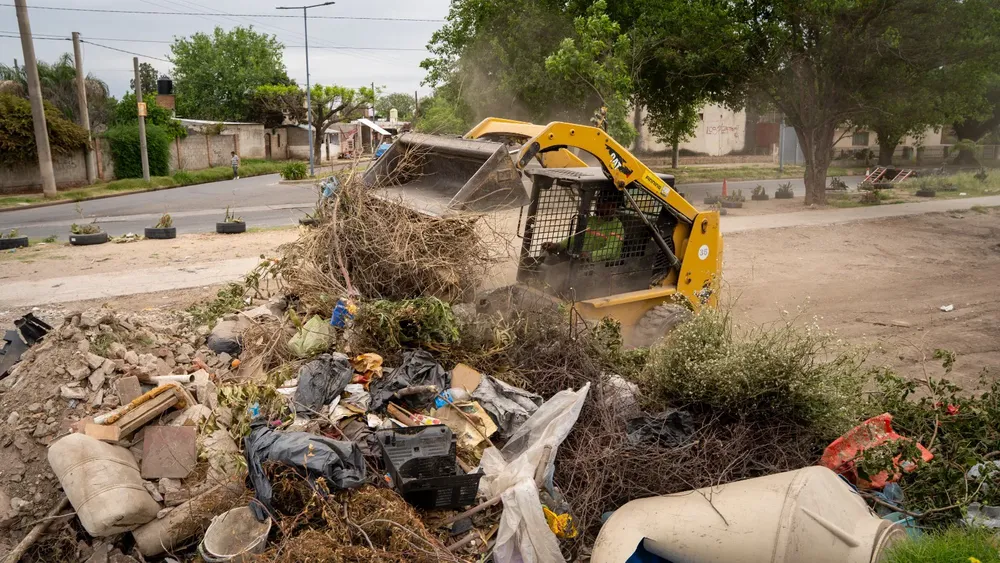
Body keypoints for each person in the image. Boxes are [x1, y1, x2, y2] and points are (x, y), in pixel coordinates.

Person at [542, 191, 624, 262]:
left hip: (602, 267)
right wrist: (558, 245)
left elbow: (611, 250)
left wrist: (590, 255)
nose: (598, 204)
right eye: (599, 201)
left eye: (602, 202)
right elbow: (577, 237)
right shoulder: (592, 220)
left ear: (613, 206)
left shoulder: (617, 226)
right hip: (583, 262)